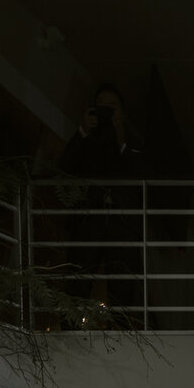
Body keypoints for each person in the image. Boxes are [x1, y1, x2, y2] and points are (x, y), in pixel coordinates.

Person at [57, 84, 146, 309]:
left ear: (122, 113)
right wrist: (83, 130)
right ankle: (70, 328)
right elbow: (64, 168)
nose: (106, 111)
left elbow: (141, 174)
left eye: (111, 107)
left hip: (122, 223)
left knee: (123, 288)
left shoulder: (134, 142)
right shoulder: (86, 140)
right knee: (78, 280)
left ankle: (126, 336)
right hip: (88, 220)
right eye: (101, 107)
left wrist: (120, 139)